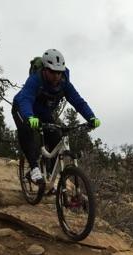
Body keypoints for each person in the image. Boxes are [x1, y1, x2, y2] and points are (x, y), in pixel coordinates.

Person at [12, 48, 100, 184]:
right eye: (53, 72)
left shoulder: (64, 83)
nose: (56, 76)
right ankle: (34, 168)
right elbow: (26, 99)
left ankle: (50, 176)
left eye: (59, 72)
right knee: (26, 129)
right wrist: (29, 116)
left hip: (43, 113)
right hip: (22, 108)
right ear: (45, 69)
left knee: (55, 138)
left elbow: (78, 102)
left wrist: (91, 117)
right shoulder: (36, 79)